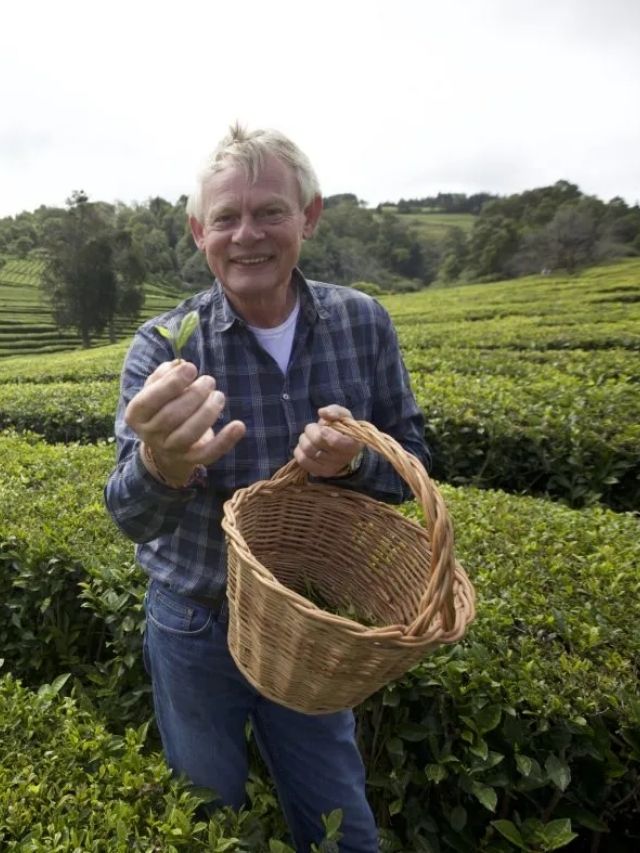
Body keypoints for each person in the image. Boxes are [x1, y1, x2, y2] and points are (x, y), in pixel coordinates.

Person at [104, 123, 429, 853]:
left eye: (270, 211)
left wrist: (351, 463)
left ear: (308, 217)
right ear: (198, 231)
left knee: (341, 821)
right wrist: (164, 462)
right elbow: (127, 514)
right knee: (208, 815)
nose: (247, 234)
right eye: (226, 217)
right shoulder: (163, 346)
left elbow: (413, 460)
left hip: (310, 626)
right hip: (195, 623)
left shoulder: (362, 322)